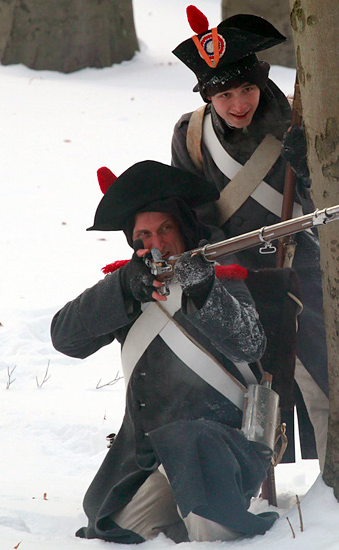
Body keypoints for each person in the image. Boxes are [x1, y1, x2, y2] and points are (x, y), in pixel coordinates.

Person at [50, 160, 278, 543]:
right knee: (121, 528)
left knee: (212, 518)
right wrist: (122, 286)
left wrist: (204, 289)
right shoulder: (129, 285)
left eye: (165, 229)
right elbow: (65, 338)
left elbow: (250, 343)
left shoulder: (220, 276)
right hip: (150, 458)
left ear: (183, 228)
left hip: (219, 453)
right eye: (144, 235)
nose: (156, 244)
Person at [170, 7, 329, 465]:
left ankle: (336, 491)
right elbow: (194, 212)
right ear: (208, 95)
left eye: (247, 89)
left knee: (318, 379)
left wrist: (309, 167)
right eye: (225, 95)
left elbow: (330, 203)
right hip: (232, 280)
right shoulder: (191, 134)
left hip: (302, 273)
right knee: (234, 388)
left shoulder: (298, 123)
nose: (239, 104)